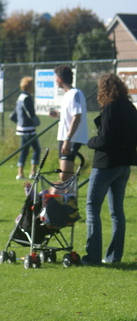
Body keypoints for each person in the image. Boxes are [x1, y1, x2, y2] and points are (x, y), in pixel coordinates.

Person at [82, 74, 137, 265]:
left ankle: (93, 256)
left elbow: (104, 139)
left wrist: (90, 142)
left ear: (104, 90)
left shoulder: (110, 108)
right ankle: (114, 256)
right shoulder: (131, 108)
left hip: (106, 164)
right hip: (124, 165)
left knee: (92, 207)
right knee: (117, 212)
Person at [49, 65, 88, 180]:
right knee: (65, 175)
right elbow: (69, 116)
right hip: (65, 138)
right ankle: (69, 197)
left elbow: (77, 117)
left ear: (60, 79)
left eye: (55, 78)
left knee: (65, 175)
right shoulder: (67, 95)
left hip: (72, 139)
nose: (55, 80)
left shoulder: (75, 94)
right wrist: (57, 114)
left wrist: (68, 139)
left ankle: (70, 196)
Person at [11, 76, 41, 180]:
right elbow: (30, 113)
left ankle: (20, 173)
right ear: (29, 87)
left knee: (24, 150)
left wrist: (19, 123)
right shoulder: (27, 98)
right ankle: (33, 172)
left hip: (21, 128)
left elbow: (14, 115)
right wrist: (37, 122)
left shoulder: (20, 97)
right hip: (28, 129)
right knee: (37, 149)